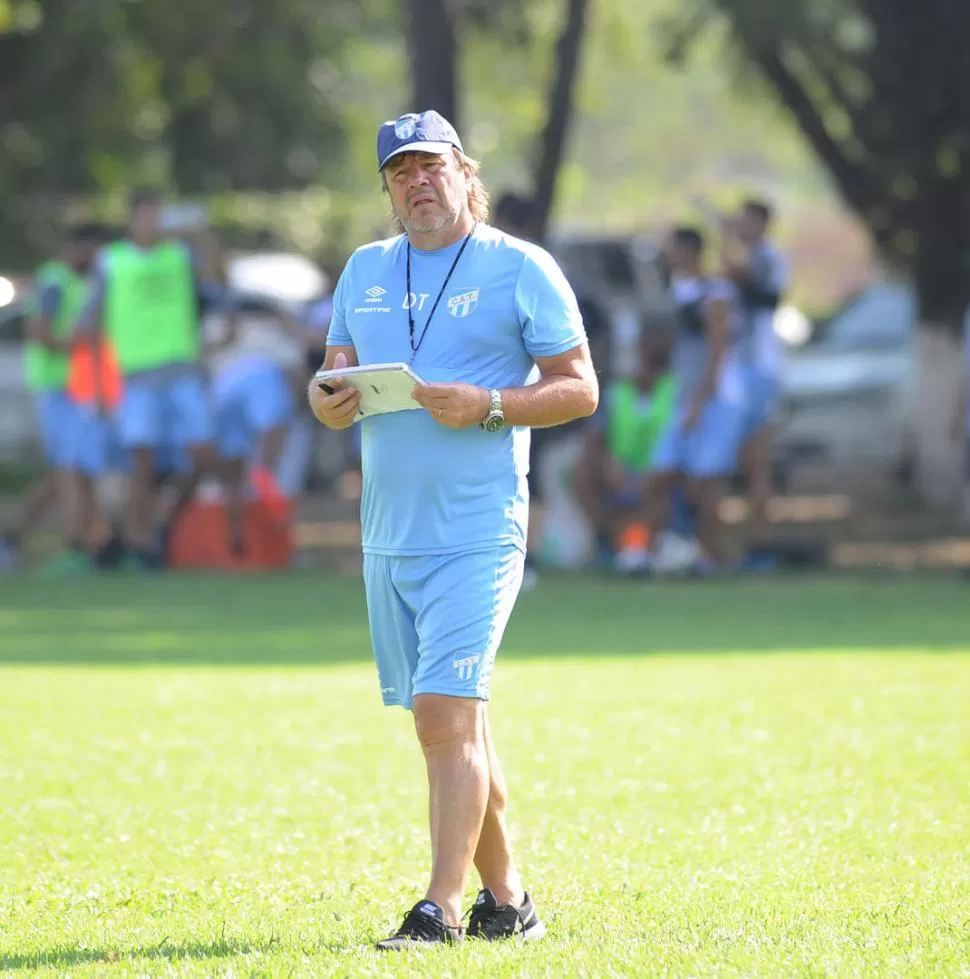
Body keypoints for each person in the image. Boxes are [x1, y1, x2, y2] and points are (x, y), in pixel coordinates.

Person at [307, 110, 598, 948]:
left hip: (478, 530)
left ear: (465, 173)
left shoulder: (521, 268)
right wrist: (325, 399)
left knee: (443, 714)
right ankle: (509, 901)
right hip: (387, 535)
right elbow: (335, 385)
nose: (418, 184)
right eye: (401, 174)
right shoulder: (364, 269)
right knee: (454, 726)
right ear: (389, 190)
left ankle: (437, 910)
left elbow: (579, 388)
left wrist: (493, 406)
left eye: (432, 167)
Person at [74, 189, 231, 569]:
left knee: (203, 455)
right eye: (146, 215)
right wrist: (97, 384)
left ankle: (163, 523)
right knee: (139, 464)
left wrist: (202, 236)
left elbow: (219, 282)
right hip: (136, 376)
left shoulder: (179, 254)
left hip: (181, 371)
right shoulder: (111, 261)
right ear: (132, 219)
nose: (153, 223)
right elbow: (90, 326)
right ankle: (142, 544)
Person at [634, 227, 746, 574]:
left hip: (715, 398)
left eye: (672, 250)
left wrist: (700, 400)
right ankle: (650, 554)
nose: (668, 258)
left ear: (689, 251)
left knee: (705, 482)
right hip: (684, 396)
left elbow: (718, 349)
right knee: (659, 475)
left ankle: (708, 556)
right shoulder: (677, 292)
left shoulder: (716, 292)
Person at [0, 224, 104, 573]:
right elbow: (39, 333)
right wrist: (80, 348)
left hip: (79, 390)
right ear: (75, 248)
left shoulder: (83, 283)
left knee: (71, 471)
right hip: (57, 388)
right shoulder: (55, 281)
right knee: (71, 469)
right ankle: (76, 547)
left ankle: (13, 537)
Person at [571, 332, 677, 568]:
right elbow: (595, 435)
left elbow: (679, 438)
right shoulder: (615, 392)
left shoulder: (674, 390)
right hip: (621, 467)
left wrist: (658, 470)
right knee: (583, 475)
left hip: (662, 470)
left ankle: (641, 548)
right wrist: (609, 462)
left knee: (658, 491)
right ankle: (616, 543)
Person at [721, 199, 787, 570]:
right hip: (741, 371)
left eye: (747, 222)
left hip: (759, 370)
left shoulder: (767, 257)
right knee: (744, 462)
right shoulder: (752, 255)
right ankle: (749, 544)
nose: (741, 227)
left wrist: (727, 241)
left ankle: (762, 544)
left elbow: (747, 281)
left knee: (757, 461)